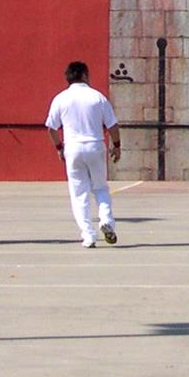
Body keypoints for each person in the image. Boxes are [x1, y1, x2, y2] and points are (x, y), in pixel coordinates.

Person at [44, 61, 122, 247]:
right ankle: (106, 221)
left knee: (79, 194)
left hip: (73, 148)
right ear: (85, 75)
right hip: (95, 146)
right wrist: (117, 145)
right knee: (100, 188)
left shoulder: (60, 98)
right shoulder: (97, 97)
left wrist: (59, 148)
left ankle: (88, 235)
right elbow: (112, 125)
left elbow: (51, 128)